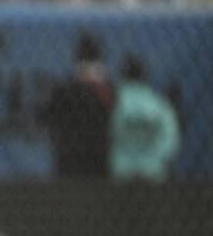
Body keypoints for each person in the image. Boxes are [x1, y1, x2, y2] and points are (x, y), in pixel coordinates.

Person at [40, 32, 113, 178]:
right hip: (97, 157)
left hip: (69, 157)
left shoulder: (64, 89)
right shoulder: (108, 90)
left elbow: (49, 119)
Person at [109, 54, 180, 182]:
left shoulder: (112, 103)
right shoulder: (159, 105)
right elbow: (170, 140)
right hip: (152, 170)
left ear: (121, 75)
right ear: (145, 76)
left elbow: (106, 134)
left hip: (120, 170)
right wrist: (154, 157)